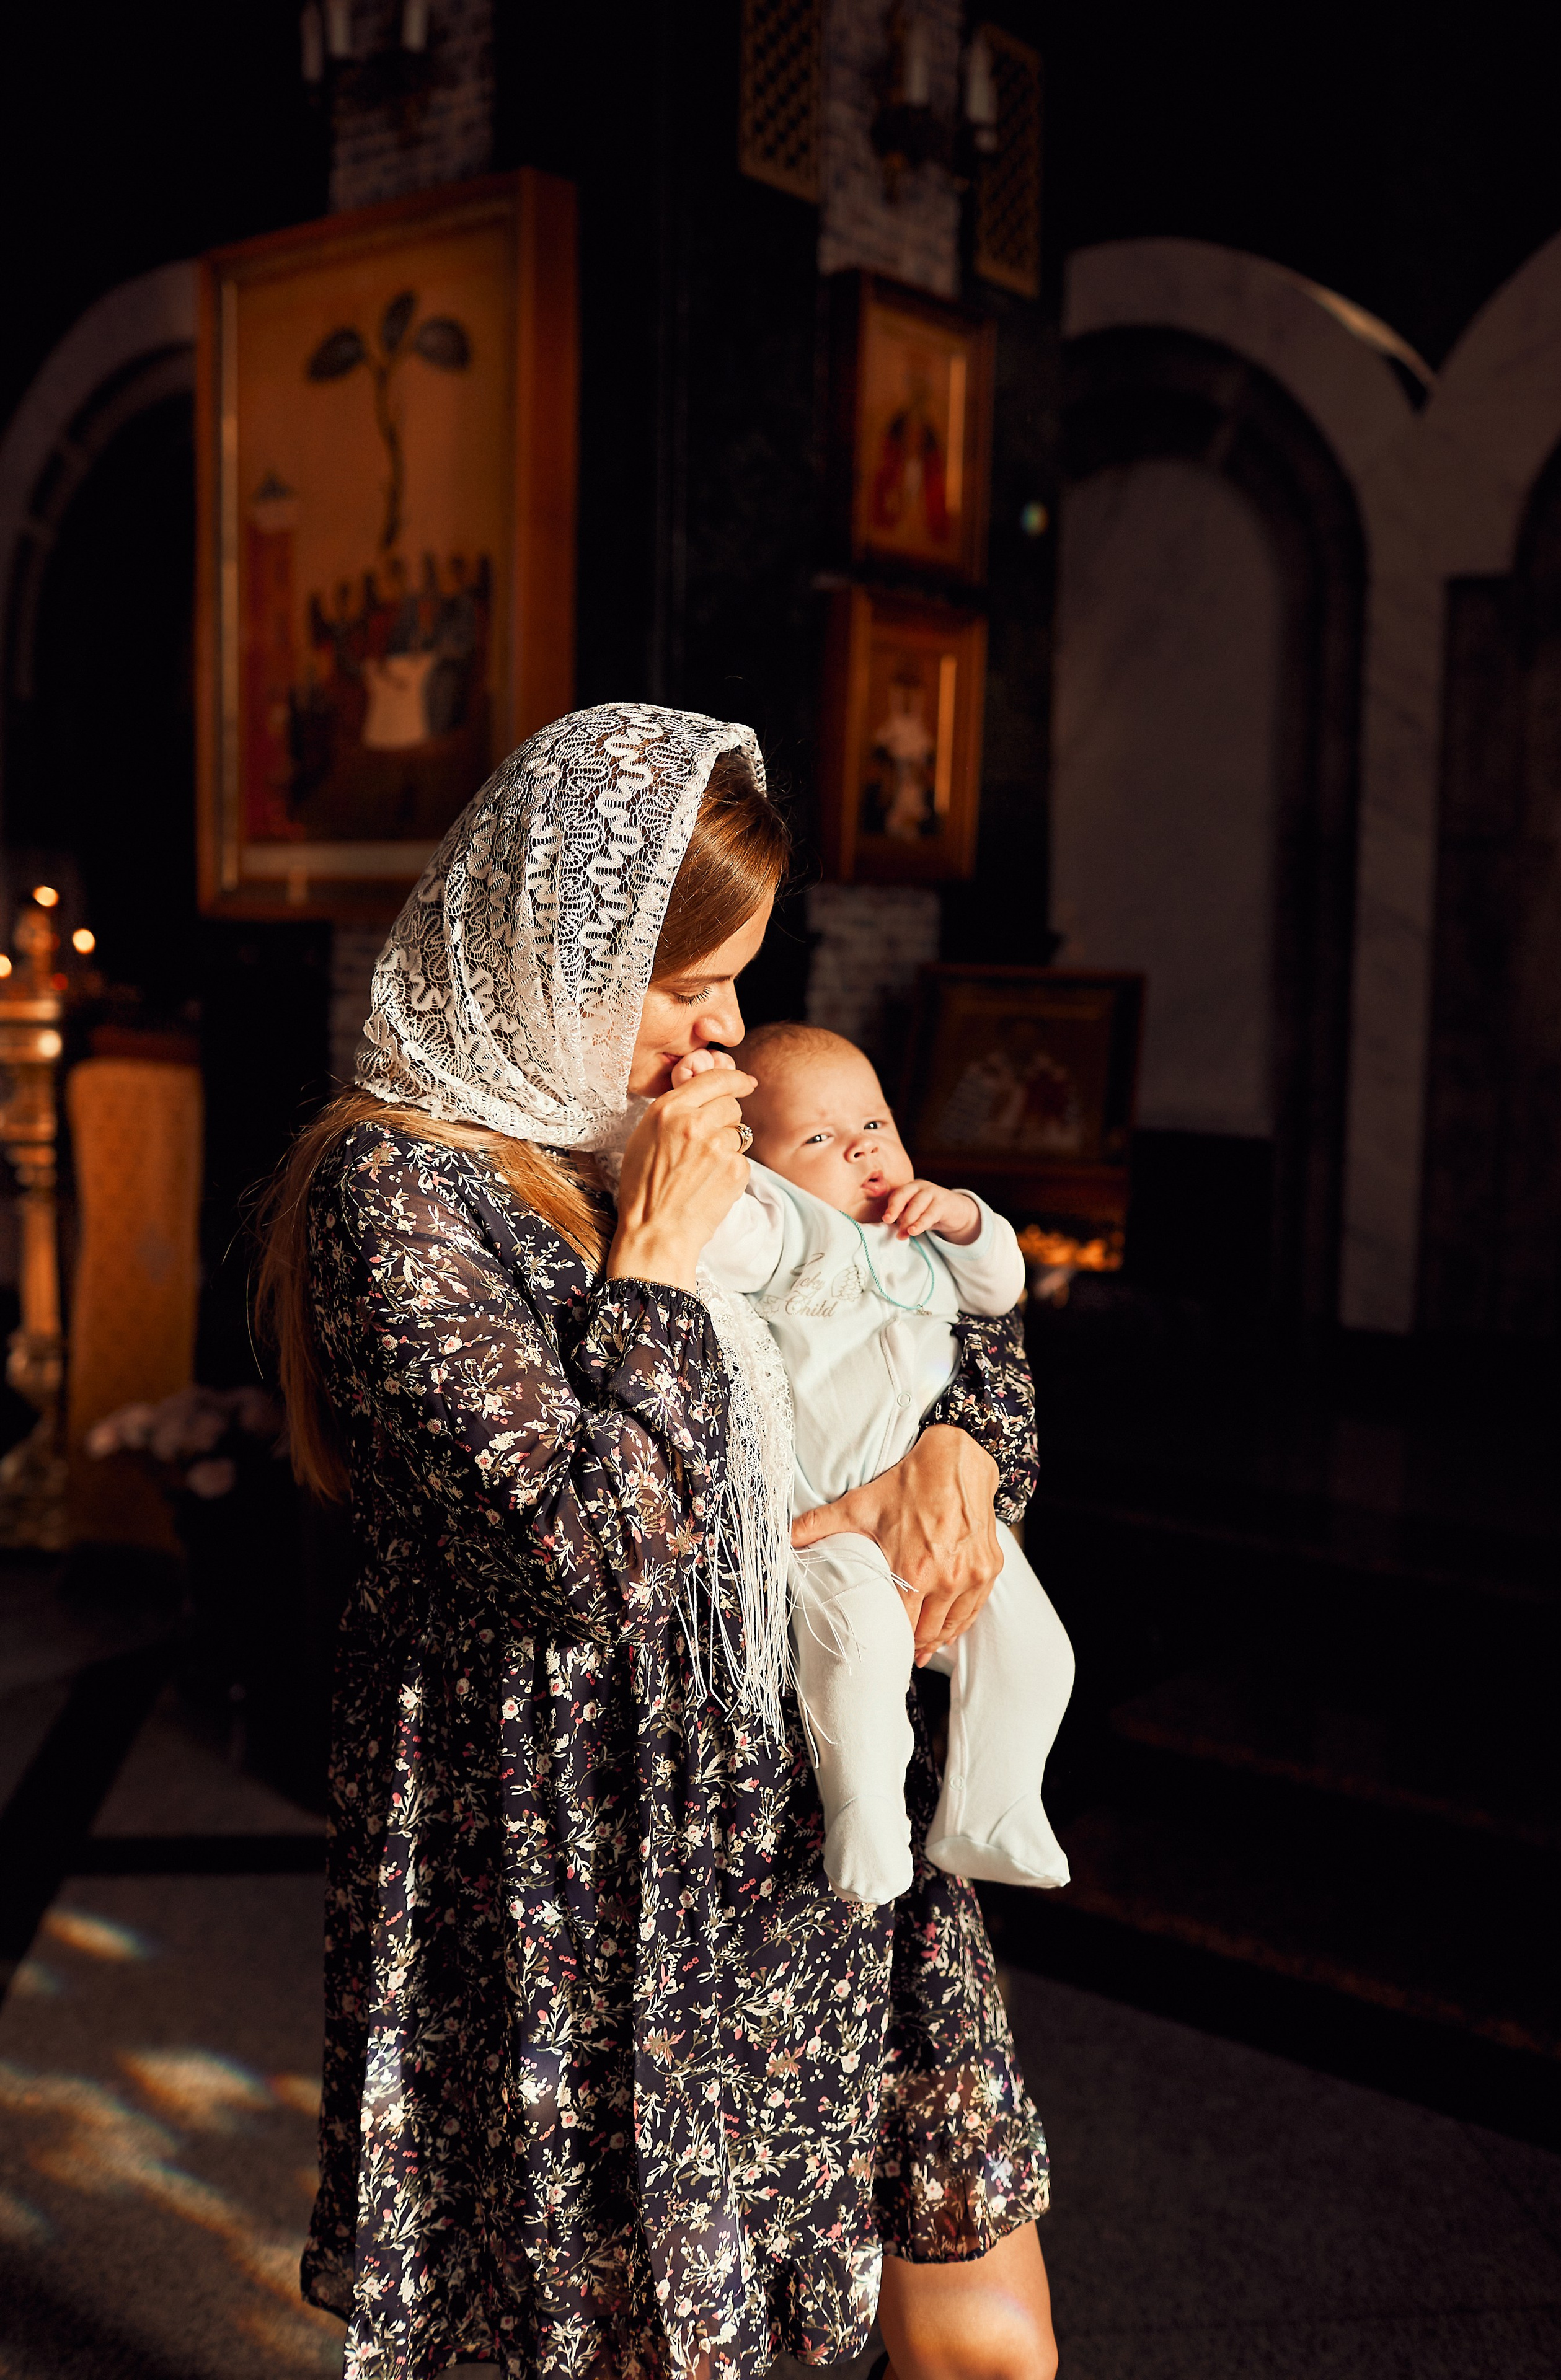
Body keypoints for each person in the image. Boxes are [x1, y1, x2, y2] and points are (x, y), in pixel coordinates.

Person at [257, 702, 1057, 2380]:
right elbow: (577, 1557)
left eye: (741, 978)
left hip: (820, 1808)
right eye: (689, 987)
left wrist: (969, 1454)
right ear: (560, 952)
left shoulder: (684, 1130)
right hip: (588, 1862)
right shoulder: (400, 1194)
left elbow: (916, 1297)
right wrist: (664, 1260)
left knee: (984, 2321)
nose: (731, 1033)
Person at [688, 1021, 1074, 1910]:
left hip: (948, 1514)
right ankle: (863, 1815)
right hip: (831, 1524)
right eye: (819, 1137)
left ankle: (992, 1809)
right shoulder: (789, 1223)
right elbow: (721, 1240)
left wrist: (968, 1218)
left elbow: (1001, 1287)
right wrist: (714, 1162)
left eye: (877, 1124)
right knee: (858, 1650)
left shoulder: (929, 1235)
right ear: (763, 1165)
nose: (862, 1148)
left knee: (1039, 1654)